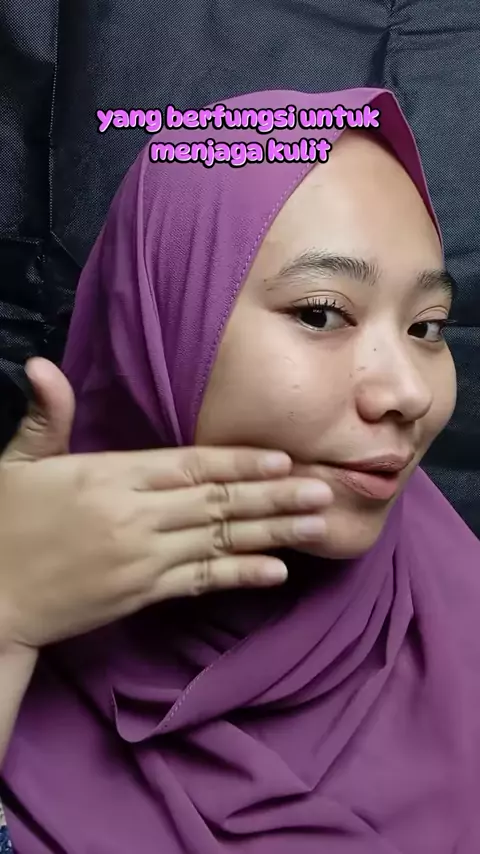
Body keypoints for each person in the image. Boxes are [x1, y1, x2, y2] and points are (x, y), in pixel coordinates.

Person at [0, 85, 479, 853]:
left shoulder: (459, 619)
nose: (409, 393)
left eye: (427, 327)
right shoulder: (17, 602)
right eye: (321, 313)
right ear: (159, 326)